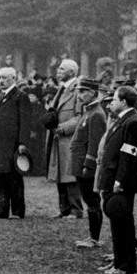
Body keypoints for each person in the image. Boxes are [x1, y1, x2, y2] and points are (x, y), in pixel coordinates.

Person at [95, 86, 137, 274]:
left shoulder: (132, 122)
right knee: (115, 221)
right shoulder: (121, 119)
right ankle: (118, 259)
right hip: (111, 176)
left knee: (123, 221)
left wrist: (120, 180)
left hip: (120, 180)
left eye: (114, 99)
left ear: (124, 102)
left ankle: (126, 265)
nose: (111, 103)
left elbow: (129, 155)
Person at [0, 67, 31, 219]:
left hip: (12, 144)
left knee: (13, 179)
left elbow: (25, 121)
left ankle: (17, 211)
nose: (1, 81)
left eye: (4, 78)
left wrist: (22, 143)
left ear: (13, 78)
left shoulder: (20, 96)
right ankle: (0, 210)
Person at [68, 79, 107, 248]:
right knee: (89, 202)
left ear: (92, 93)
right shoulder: (89, 112)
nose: (79, 95)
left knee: (92, 202)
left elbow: (94, 144)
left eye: (83, 91)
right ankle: (92, 237)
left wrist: (88, 166)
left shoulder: (96, 114)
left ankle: (94, 239)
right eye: (79, 91)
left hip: (86, 166)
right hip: (80, 164)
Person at [47, 59, 84, 220]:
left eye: (62, 69)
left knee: (70, 175)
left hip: (68, 138)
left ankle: (76, 209)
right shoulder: (61, 89)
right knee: (59, 173)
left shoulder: (77, 90)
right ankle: (64, 209)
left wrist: (63, 128)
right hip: (57, 138)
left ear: (72, 72)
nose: (58, 71)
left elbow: (80, 117)